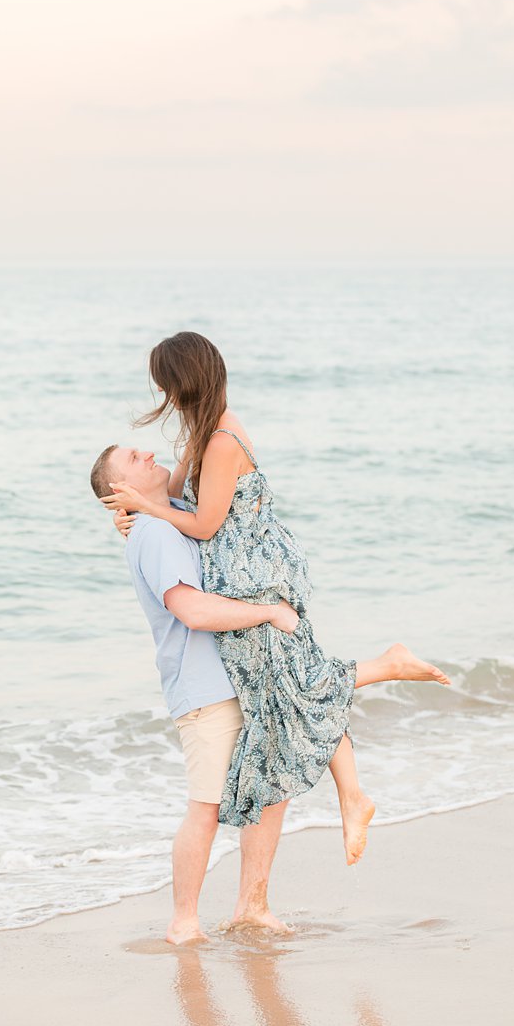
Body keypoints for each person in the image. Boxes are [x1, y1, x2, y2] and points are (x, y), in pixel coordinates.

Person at [98, 333, 449, 866]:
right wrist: (135, 512)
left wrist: (154, 512)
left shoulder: (218, 440)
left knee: (297, 683)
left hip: (255, 576)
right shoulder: (204, 430)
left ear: (179, 384)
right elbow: (176, 498)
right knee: (295, 685)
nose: (161, 394)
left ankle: (382, 683)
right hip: (250, 570)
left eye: (164, 384)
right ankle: (354, 791)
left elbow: (204, 521)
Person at [91, 445, 449, 935]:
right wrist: (267, 612)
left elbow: (204, 481)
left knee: (269, 787)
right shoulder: (153, 532)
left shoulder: (173, 514)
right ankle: (184, 923)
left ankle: (253, 905)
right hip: (205, 690)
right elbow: (191, 610)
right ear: (120, 489)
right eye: (134, 457)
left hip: (243, 673)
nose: (148, 452)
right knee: (207, 809)